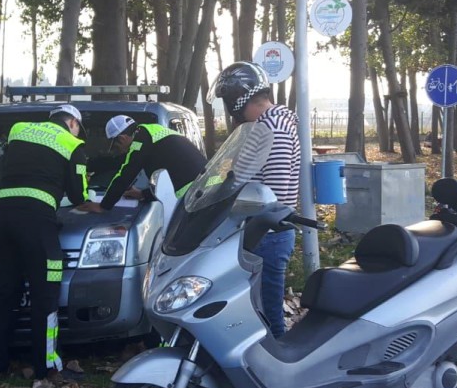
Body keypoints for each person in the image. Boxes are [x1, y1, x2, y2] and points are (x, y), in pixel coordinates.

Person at [0, 104, 91, 380]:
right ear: (73, 123)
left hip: (3, 218)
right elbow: (79, 196)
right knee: (45, 296)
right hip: (37, 224)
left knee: (1, 293)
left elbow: (27, 168)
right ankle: (47, 367)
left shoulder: (19, 130)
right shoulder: (72, 143)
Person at [211, 61, 300, 339]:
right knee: (256, 305)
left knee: (267, 310)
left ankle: (277, 370)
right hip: (259, 229)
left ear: (238, 101)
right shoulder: (265, 125)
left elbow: (271, 191)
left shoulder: (273, 129)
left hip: (268, 231)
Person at [77, 115, 207, 213]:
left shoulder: (140, 141)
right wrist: (143, 194)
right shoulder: (150, 134)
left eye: (116, 146)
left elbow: (126, 173)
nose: (119, 151)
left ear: (122, 138)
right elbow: (172, 173)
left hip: (193, 194)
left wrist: (103, 206)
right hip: (201, 187)